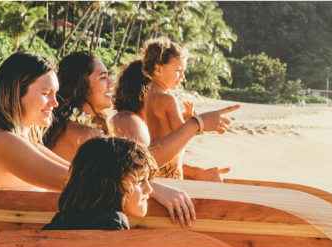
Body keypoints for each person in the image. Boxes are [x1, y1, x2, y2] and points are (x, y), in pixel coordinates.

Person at [45, 51, 234, 226]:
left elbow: (127, 168)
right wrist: (195, 124)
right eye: (103, 78)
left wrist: (195, 172)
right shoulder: (83, 134)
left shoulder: (76, 127)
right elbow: (141, 165)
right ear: (80, 84)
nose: (111, 83)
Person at [111, 59, 240, 182]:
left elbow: (162, 162)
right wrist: (195, 124)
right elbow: (146, 165)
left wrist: (200, 174)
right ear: (146, 89)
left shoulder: (137, 120)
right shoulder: (130, 121)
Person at [139, 37, 235, 180]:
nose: (183, 76)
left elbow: (164, 128)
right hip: (170, 169)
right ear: (158, 69)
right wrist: (194, 121)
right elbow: (183, 133)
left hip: (157, 167)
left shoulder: (150, 97)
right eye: (178, 70)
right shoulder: (168, 99)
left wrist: (184, 117)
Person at [0, 52, 70, 191]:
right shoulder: (2, 141)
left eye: (55, 93)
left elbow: (77, 173)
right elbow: (76, 183)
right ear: (16, 93)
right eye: (45, 93)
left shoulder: (25, 141)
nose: (55, 103)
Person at [42, 137, 156, 231]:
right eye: (140, 180)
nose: (149, 189)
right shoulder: (114, 223)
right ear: (109, 184)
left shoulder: (57, 222)